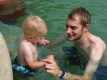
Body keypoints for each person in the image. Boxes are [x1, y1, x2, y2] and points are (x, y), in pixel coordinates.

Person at [42, 7, 107, 80]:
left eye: (73, 27)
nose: (68, 31)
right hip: (80, 55)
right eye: (67, 26)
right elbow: (50, 45)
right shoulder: (70, 33)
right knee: (52, 55)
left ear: (86, 27)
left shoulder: (96, 47)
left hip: (100, 69)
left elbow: (86, 79)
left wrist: (59, 73)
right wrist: (39, 40)